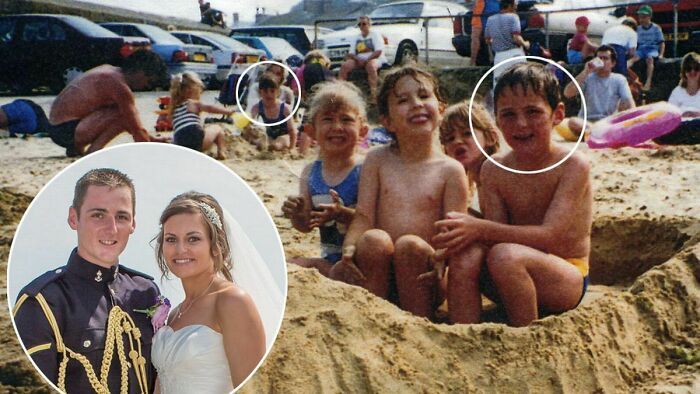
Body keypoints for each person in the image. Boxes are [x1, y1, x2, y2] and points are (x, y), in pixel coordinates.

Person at [433, 63, 593, 327]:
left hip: (566, 277)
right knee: (469, 254)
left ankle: (525, 337)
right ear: (497, 119)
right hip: (510, 273)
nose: (521, 124)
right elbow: (496, 235)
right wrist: (448, 248)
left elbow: (551, 236)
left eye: (533, 112)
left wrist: (479, 227)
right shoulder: (494, 169)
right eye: (508, 114)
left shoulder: (573, 165)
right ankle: (463, 336)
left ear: (557, 114)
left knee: (505, 255)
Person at [338, 65, 469, 320]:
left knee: (409, 245)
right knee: (374, 239)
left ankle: (418, 326)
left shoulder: (451, 170)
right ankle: (373, 320)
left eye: (423, 96)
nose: (417, 104)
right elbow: (363, 215)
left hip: (425, 273)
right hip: (378, 270)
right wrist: (350, 245)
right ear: (387, 121)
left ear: (441, 109)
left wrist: (442, 258)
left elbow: (451, 232)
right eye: (403, 100)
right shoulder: (377, 160)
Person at [13, 168, 159, 393]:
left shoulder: (146, 291)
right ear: (74, 218)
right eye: (98, 215)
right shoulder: (43, 302)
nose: (111, 229)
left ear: (133, 224)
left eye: (121, 217)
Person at [152, 191, 265, 392]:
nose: (180, 249)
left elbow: (254, 388)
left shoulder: (232, 302)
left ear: (216, 245)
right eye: (171, 239)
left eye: (193, 239)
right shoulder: (174, 314)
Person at [282, 80, 367, 279]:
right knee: (289, 264)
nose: (337, 127)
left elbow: (372, 220)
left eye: (346, 120)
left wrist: (342, 213)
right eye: (328, 119)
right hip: (330, 259)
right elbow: (305, 225)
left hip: (363, 257)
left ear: (362, 130)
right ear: (312, 132)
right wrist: (295, 213)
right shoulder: (310, 172)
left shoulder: (365, 169)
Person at [48, 50, 169, 157]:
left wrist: (151, 138)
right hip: (66, 131)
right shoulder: (118, 85)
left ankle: (76, 148)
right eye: (149, 82)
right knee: (124, 115)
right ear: (141, 73)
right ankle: (93, 151)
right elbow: (135, 128)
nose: (146, 86)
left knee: (121, 111)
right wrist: (150, 150)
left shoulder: (108, 71)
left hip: (58, 127)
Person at [439, 100, 500, 213]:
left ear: (490, 137)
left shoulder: (499, 172)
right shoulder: (470, 184)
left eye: (467, 133)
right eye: (450, 138)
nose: (457, 141)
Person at [563, 45, 635, 137]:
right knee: (573, 121)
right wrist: (585, 72)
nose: (602, 61)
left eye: (605, 58)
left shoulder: (619, 79)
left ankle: (597, 134)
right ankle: (598, 133)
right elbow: (567, 93)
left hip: (607, 123)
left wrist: (634, 120)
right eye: (599, 58)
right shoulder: (587, 77)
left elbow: (629, 102)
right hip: (586, 122)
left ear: (613, 63)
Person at [169, 71, 232, 160]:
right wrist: (228, 112)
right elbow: (210, 108)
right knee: (217, 129)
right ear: (192, 89)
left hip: (180, 144)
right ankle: (221, 152)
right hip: (196, 140)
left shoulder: (174, 109)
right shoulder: (192, 103)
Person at [655, 52, 700, 145]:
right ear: (684, 72)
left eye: (696, 68)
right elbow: (669, 113)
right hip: (681, 126)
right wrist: (683, 114)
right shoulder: (677, 91)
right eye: (688, 69)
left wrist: (696, 113)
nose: (692, 72)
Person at [339, 16, 388, 100]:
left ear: (369, 25)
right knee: (345, 66)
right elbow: (351, 53)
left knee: (371, 66)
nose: (361, 26)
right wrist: (358, 59)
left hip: (374, 58)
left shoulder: (375, 35)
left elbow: (378, 51)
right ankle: (339, 92)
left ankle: (374, 95)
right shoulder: (356, 37)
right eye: (359, 24)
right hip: (359, 60)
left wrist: (367, 60)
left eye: (364, 24)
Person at [484, 0, 530, 84]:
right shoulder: (513, 17)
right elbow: (516, 38)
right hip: (515, 54)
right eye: (515, 5)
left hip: (499, 56)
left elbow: (488, 40)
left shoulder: (490, 20)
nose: (516, 7)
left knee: (499, 85)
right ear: (509, 5)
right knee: (521, 83)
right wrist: (525, 44)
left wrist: (498, 41)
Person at [250, 74, 298, 151]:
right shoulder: (257, 107)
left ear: (278, 92)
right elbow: (249, 122)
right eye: (265, 91)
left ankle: (274, 147)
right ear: (260, 92)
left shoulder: (284, 108)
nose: (269, 94)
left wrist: (292, 148)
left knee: (278, 144)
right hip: (270, 136)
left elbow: (292, 130)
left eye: (272, 91)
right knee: (260, 142)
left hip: (285, 136)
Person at [628, 5, 665, 91]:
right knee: (632, 59)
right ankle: (629, 79)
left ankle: (648, 82)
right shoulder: (638, 29)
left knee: (649, 59)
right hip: (641, 50)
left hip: (652, 49)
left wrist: (661, 54)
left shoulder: (656, 28)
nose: (641, 20)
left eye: (644, 17)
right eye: (640, 17)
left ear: (650, 17)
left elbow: (661, 43)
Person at [470, 0, 500, 66]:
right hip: (485, 10)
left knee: (476, 37)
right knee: (476, 37)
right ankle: (473, 61)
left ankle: (473, 62)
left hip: (487, 10)